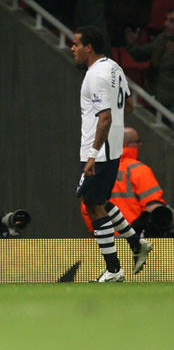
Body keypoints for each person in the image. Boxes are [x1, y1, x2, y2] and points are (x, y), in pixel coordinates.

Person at [72, 25, 152, 282]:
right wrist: (114, 130)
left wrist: (93, 153)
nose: (72, 49)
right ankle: (136, 243)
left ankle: (114, 269)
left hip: (100, 150)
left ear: (89, 47)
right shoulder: (115, 68)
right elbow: (129, 105)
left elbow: (105, 116)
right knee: (99, 200)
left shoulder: (96, 75)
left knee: (92, 204)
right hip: (112, 146)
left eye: (76, 44)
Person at [81, 127, 168, 234]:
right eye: (137, 141)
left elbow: (87, 208)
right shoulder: (138, 169)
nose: (140, 144)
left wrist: (98, 233)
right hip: (134, 238)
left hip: (105, 239)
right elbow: (154, 208)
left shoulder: (95, 171)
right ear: (127, 144)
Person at [125, 8, 174, 113]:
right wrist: (132, 45)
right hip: (157, 98)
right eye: (166, 19)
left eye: (171, 21)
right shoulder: (162, 38)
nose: (166, 24)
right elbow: (143, 55)